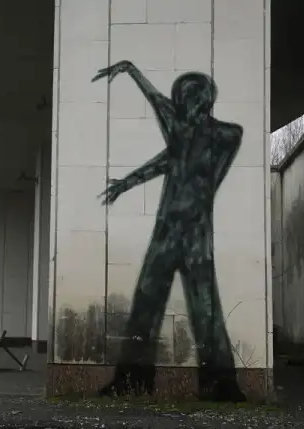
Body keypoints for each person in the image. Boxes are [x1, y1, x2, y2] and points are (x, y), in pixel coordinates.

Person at [93, 60, 246, 402]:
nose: (179, 104)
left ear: (201, 100)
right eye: (180, 99)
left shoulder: (222, 134)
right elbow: (171, 158)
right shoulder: (195, 136)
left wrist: (132, 71)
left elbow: (162, 111)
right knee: (148, 303)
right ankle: (133, 380)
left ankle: (220, 382)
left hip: (193, 235)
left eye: (186, 98)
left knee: (204, 309)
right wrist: (127, 183)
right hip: (171, 232)